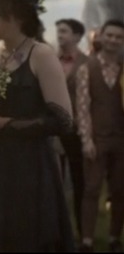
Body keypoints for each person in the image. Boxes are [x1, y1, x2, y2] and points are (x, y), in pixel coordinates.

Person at [0, 0, 74, 252]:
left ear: (13, 12)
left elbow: (63, 120)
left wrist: (4, 123)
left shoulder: (41, 54)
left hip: (29, 171)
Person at [75, 19, 124, 253]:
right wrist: (86, 139)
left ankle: (115, 237)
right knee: (91, 189)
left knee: (120, 190)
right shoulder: (88, 68)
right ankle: (87, 240)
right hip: (97, 139)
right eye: (110, 35)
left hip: (121, 140)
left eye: (119, 37)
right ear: (101, 37)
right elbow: (83, 107)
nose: (114, 40)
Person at [54, 17, 88, 241]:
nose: (59, 35)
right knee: (54, 183)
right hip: (52, 130)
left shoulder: (88, 63)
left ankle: (82, 231)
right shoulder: (49, 61)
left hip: (76, 132)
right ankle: (56, 232)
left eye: (64, 31)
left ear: (77, 36)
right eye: (58, 31)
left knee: (80, 183)